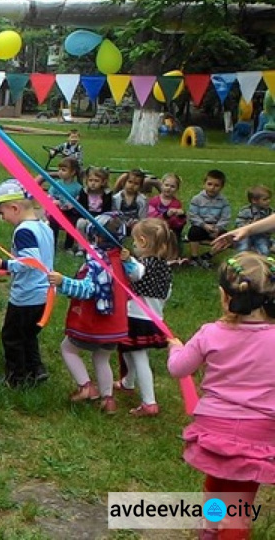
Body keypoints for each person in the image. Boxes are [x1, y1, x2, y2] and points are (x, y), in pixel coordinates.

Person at [167, 253, 275, 539]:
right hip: (258, 431)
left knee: (216, 481)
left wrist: (176, 348)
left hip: (214, 425)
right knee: (239, 504)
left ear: (225, 297)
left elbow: (179, 369)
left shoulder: (211, 333)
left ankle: (210, 530)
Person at [47, 213, 141, 414]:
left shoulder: (97, 262)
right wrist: (129, 258)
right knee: (102, 358)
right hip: (115, 324)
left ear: (96, 237)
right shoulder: (123, 261)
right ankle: (108, 400)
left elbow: (88, 290)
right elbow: (136, 275)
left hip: (94, 322)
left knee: (68, 349)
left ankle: (86, 387)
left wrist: (63, 282)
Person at [0, 179, 54, 388]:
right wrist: (11, 269)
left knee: (12, 336)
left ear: (14, 208)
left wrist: (5, 263)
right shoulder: (44, 226)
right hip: (43, 293)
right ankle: (36, 369)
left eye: (2, 213)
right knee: (28, 335)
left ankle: (15, 379)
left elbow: (31, 261)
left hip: (26, 296)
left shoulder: (24, 231)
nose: (3, 218)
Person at [115, 218, 176, 416]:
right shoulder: (165, 268)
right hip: (154, 318)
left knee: (140, 357)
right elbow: (167, 294)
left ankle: (149, 402)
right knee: (129, 350)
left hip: (136, 318)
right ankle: (127, 382)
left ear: (142, 241)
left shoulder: (141, 265)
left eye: (134, 242)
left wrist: (127, 260)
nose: (133, 246)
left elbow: (135, 273)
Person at [188, 169, 231, 268]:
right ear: (204, 184)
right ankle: (194, 257)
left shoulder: (224, 201)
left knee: (228, 239)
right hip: (201, 226)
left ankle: (207, 256)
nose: (212, 188)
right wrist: (204, 225)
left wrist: (218, 228)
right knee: (193, 232)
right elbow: (193, 215)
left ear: (222, 187)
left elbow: (225, 217)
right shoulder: (197, 199)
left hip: (216, 228)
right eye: (210, 184)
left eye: (216, 185)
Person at [47, 157, 82, 253]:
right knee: (53, 222)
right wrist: (54, 201)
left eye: (64, 170)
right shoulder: (56, 184)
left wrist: (72, 204)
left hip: (71, 211)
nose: (60, 172)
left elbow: (79, 200)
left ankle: (68, 246)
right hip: (58, 210)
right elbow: (50, 196)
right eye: (59, 170)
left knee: (72, 224)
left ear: (73, 172)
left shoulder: (78, 187)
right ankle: (52, 244)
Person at [76, 166, 113, 251]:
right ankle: (82, 248)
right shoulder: (84, 192)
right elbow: (81, 208)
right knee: (80, 223)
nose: (93, 183)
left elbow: (107, 210)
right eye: (90, 180)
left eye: (96, 181)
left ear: (103, 182)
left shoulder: (107, 194)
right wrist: (87, 218)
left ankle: (97, 246)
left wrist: (98, 219)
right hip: (86, 216)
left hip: (101, 216)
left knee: (105, 224)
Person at [147, 172, 186, 250]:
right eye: (166, 185)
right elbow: (152, 218)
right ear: (161, 185)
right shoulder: (154, 201)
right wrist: (166, 215)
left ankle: (174, 256)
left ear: (177, 189)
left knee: (175, 238)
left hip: (170, 230)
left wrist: (181, 216)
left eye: (172, 186)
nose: (169, 188)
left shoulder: (176, 203)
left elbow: (178, 224)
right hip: (155, 229)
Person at [233, 185, 272, 255]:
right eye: (265, 199)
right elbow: (239, 224)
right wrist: (250, 225)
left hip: (261, 236)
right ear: (254, 201)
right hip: (245, 235)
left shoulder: (270, 212)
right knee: (243, 248)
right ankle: (240, 263)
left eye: (269, 198)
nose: (268, 201)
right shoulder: (245, 211)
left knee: (264, 250)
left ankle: (261, 263)